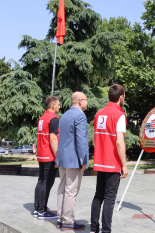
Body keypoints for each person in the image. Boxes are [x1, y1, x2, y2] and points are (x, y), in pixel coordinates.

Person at [90, 84, 129, 233]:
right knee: (110, 198)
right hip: (112, 162)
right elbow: (120, 141)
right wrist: (124, 165)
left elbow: (95, 138)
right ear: (121, 97)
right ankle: (106, 230)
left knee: (98, 195)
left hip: (100, 161)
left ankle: (94, 229)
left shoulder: (99, 114)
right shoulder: (120, 114)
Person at [56, 92, 89, 231]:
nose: (87, 102)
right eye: (86, 100)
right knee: (71, 191)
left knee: (62, 189)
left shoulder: (64, 115)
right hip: (74, 159)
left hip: (62, 159)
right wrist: (84, 159)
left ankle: (60, 219)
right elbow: (81, 140)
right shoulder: (80, 116)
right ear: (80, 101)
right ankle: (68, 221)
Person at [34, 96, 60, 219]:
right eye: (58, 105)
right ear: (53, 105)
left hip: (41, 154)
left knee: (41, 181)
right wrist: (57, 156)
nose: (60, 107)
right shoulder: (53, 119)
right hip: (49, 155)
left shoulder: (42, 118)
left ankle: (37, 208)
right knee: (47, 183)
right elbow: (53, 138)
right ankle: (42, 211)